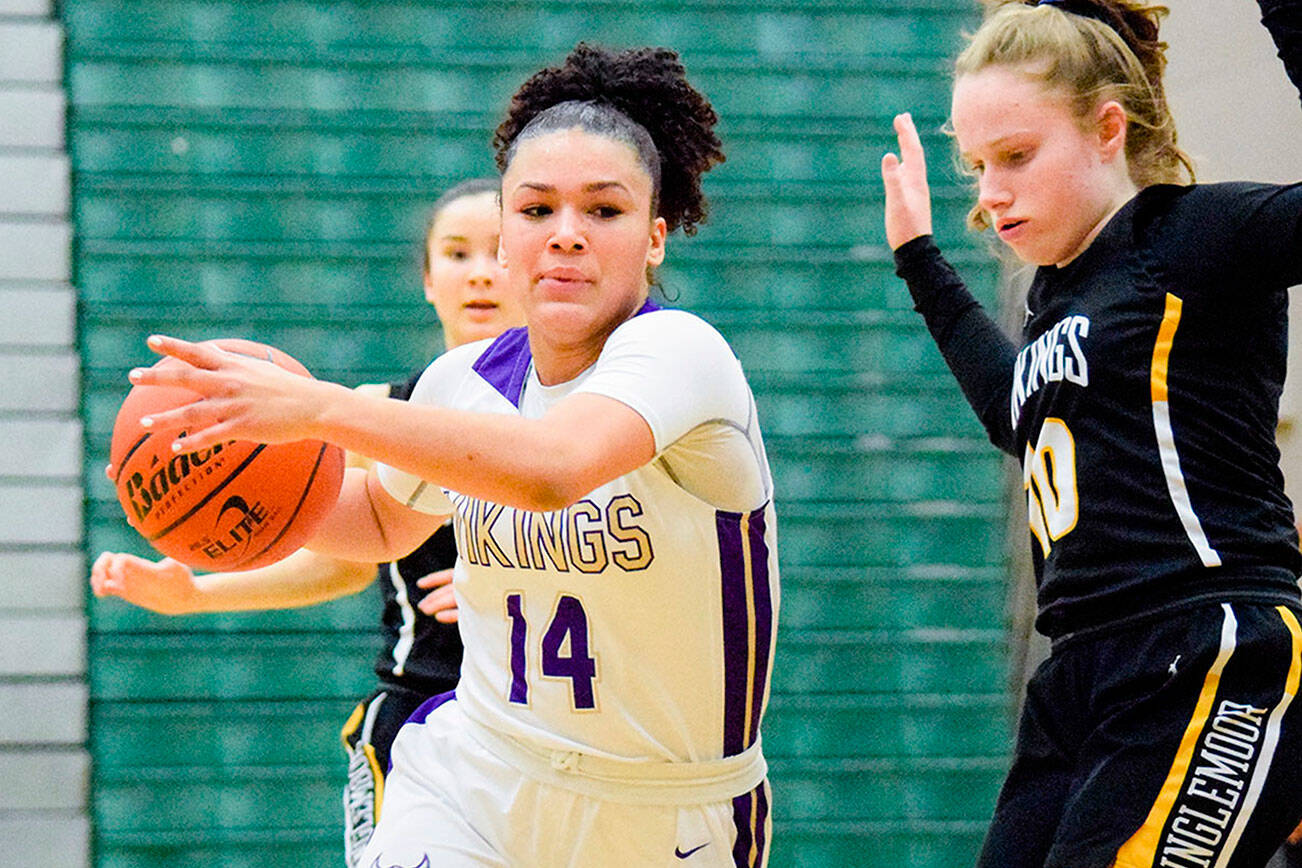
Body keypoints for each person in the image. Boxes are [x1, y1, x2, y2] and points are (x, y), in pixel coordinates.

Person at [113, 43, 779, 868]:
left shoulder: (682, 355)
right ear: (504, 238)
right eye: (536, 211)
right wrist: (221, 474)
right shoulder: (458, 379)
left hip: (661, 810)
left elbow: (551, 470)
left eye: (602, 212)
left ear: (654, 238)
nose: (566, 235)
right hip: (479, 772)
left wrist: (320, 410)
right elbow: (378, 522)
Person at [880, 0, 1302, 865]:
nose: (991, 191)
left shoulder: (1188, 238)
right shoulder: (1055, 297)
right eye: (976, 165)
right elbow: (1018, 416)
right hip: (1078, 676)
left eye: (1017, 156)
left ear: (1107, 128)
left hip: (1207, 650)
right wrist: (922, 259)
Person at [89, 177, 523, 866]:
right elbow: (348, 554)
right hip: (426, 707)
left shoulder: (577, 416)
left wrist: (521, 568)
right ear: (427, 280)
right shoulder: (368, 411)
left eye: (499, 252)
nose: (479, 274)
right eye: (456, 253)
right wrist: (197, 592)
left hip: (558, 716)